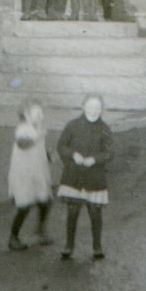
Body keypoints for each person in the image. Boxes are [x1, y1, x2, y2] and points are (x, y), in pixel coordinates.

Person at [56, 95, 113, 260]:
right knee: (72, 211)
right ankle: (69, 245)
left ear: (102, 110)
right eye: (90, 106)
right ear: (83, 107)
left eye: (97, 107)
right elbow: (61, 146)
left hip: (95, 177)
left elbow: (110, 153)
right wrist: (72, 154)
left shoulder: (104, 129)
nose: (93, 110)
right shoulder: (72, 125)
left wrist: (95, 159)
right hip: (74, 176)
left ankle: (97, 246)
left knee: (95, 213)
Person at [7, 103, 54, 249]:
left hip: (37, 172)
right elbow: (22, 144)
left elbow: (36, 150)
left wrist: (47, 155)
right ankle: (13, 238)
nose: (41, 116)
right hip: (24, 174)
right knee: (24, 206)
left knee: (45, 201)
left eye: (41, 113)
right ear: (27, 115)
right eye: (37, 114)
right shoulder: (23, 129)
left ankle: (40, 231)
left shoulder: (37, 128)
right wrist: (38, 136)